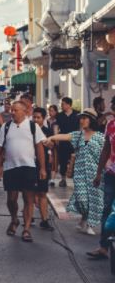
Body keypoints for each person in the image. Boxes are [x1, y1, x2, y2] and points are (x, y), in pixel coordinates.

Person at [46, 108, 105, 235]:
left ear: (92, 120)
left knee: (94, 200)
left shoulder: (101, 137)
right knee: (82, 199)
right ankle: (84, 218)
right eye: (81, 118)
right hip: (79, 173)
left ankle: (89, 224)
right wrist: (51, 137)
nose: (82, 121)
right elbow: (65, 136)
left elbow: (106, 156)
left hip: (95, 174)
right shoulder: (79, 135)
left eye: (85, 118)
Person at [0, 101, 46, 243]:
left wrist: (42, 168)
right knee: (11, 199)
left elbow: (39, 147)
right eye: (12, 110)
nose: (12, 112)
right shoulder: (6, 126)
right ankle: (14, 219)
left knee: (28, 199)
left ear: (24, 111)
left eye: (15, 110)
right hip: (10, 167)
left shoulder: (32, 126)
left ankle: (26, 229)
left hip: (28, 167)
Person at [91, 99, 115, 260]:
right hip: (111, 174)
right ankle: (103, 247)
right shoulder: (110, 125)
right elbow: (106, 149)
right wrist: (98, 173)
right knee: (107, 209)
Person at [32, 107, 54, 231]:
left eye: (38, 117)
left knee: (42, 193)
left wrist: (48, 144)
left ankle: (44, 220)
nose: (36, 119)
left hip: (43, 166)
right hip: (29, 165)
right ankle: (29, 217)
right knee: (29, 193)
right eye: (34, 117)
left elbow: (52, 146)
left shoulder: (47, 131)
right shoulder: (28, 130)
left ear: (43, 118)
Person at [55, 97, 79, 187]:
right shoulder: (60, 115)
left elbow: (80, 128)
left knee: (76, 160)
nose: (62, 105)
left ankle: (76, 179)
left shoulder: (77, 114)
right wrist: (56, 138)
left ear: (69, 105)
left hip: (74, 139)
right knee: (63, 160)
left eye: (63, 104)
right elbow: (56, 127)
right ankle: (63, 179)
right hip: (63, 140)